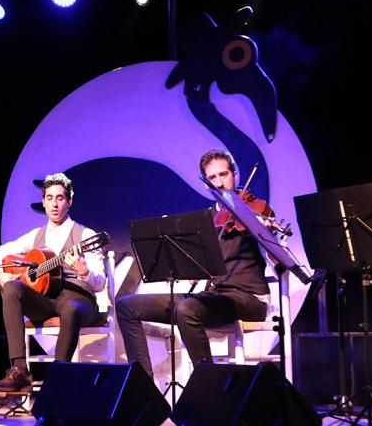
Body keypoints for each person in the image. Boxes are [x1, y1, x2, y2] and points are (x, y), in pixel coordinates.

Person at [116, 149, 270, 376]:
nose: (220, 182)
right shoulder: (206, 221)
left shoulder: (253, 212)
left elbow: (277, 259)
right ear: (207, 184)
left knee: (186, 309)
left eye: (224, 174)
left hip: (248, 297)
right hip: (213, 296)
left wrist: (266, 233)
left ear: (235, 175)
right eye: (213, 178)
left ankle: (208, 386)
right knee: (127, 306)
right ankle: (144, 388)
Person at [0, 173, 106, 391]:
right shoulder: (35, 236)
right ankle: (19, 371)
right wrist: (1, 276)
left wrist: (84, 271)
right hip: (48, 302)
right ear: (43, 202)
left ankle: (57, 377)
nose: (54, 203)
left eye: (60, 198)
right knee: (12, 288)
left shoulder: (85, 235)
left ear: (69, 202)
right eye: (49, 198)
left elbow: (99, 283)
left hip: (80, 301)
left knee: (71, 308)